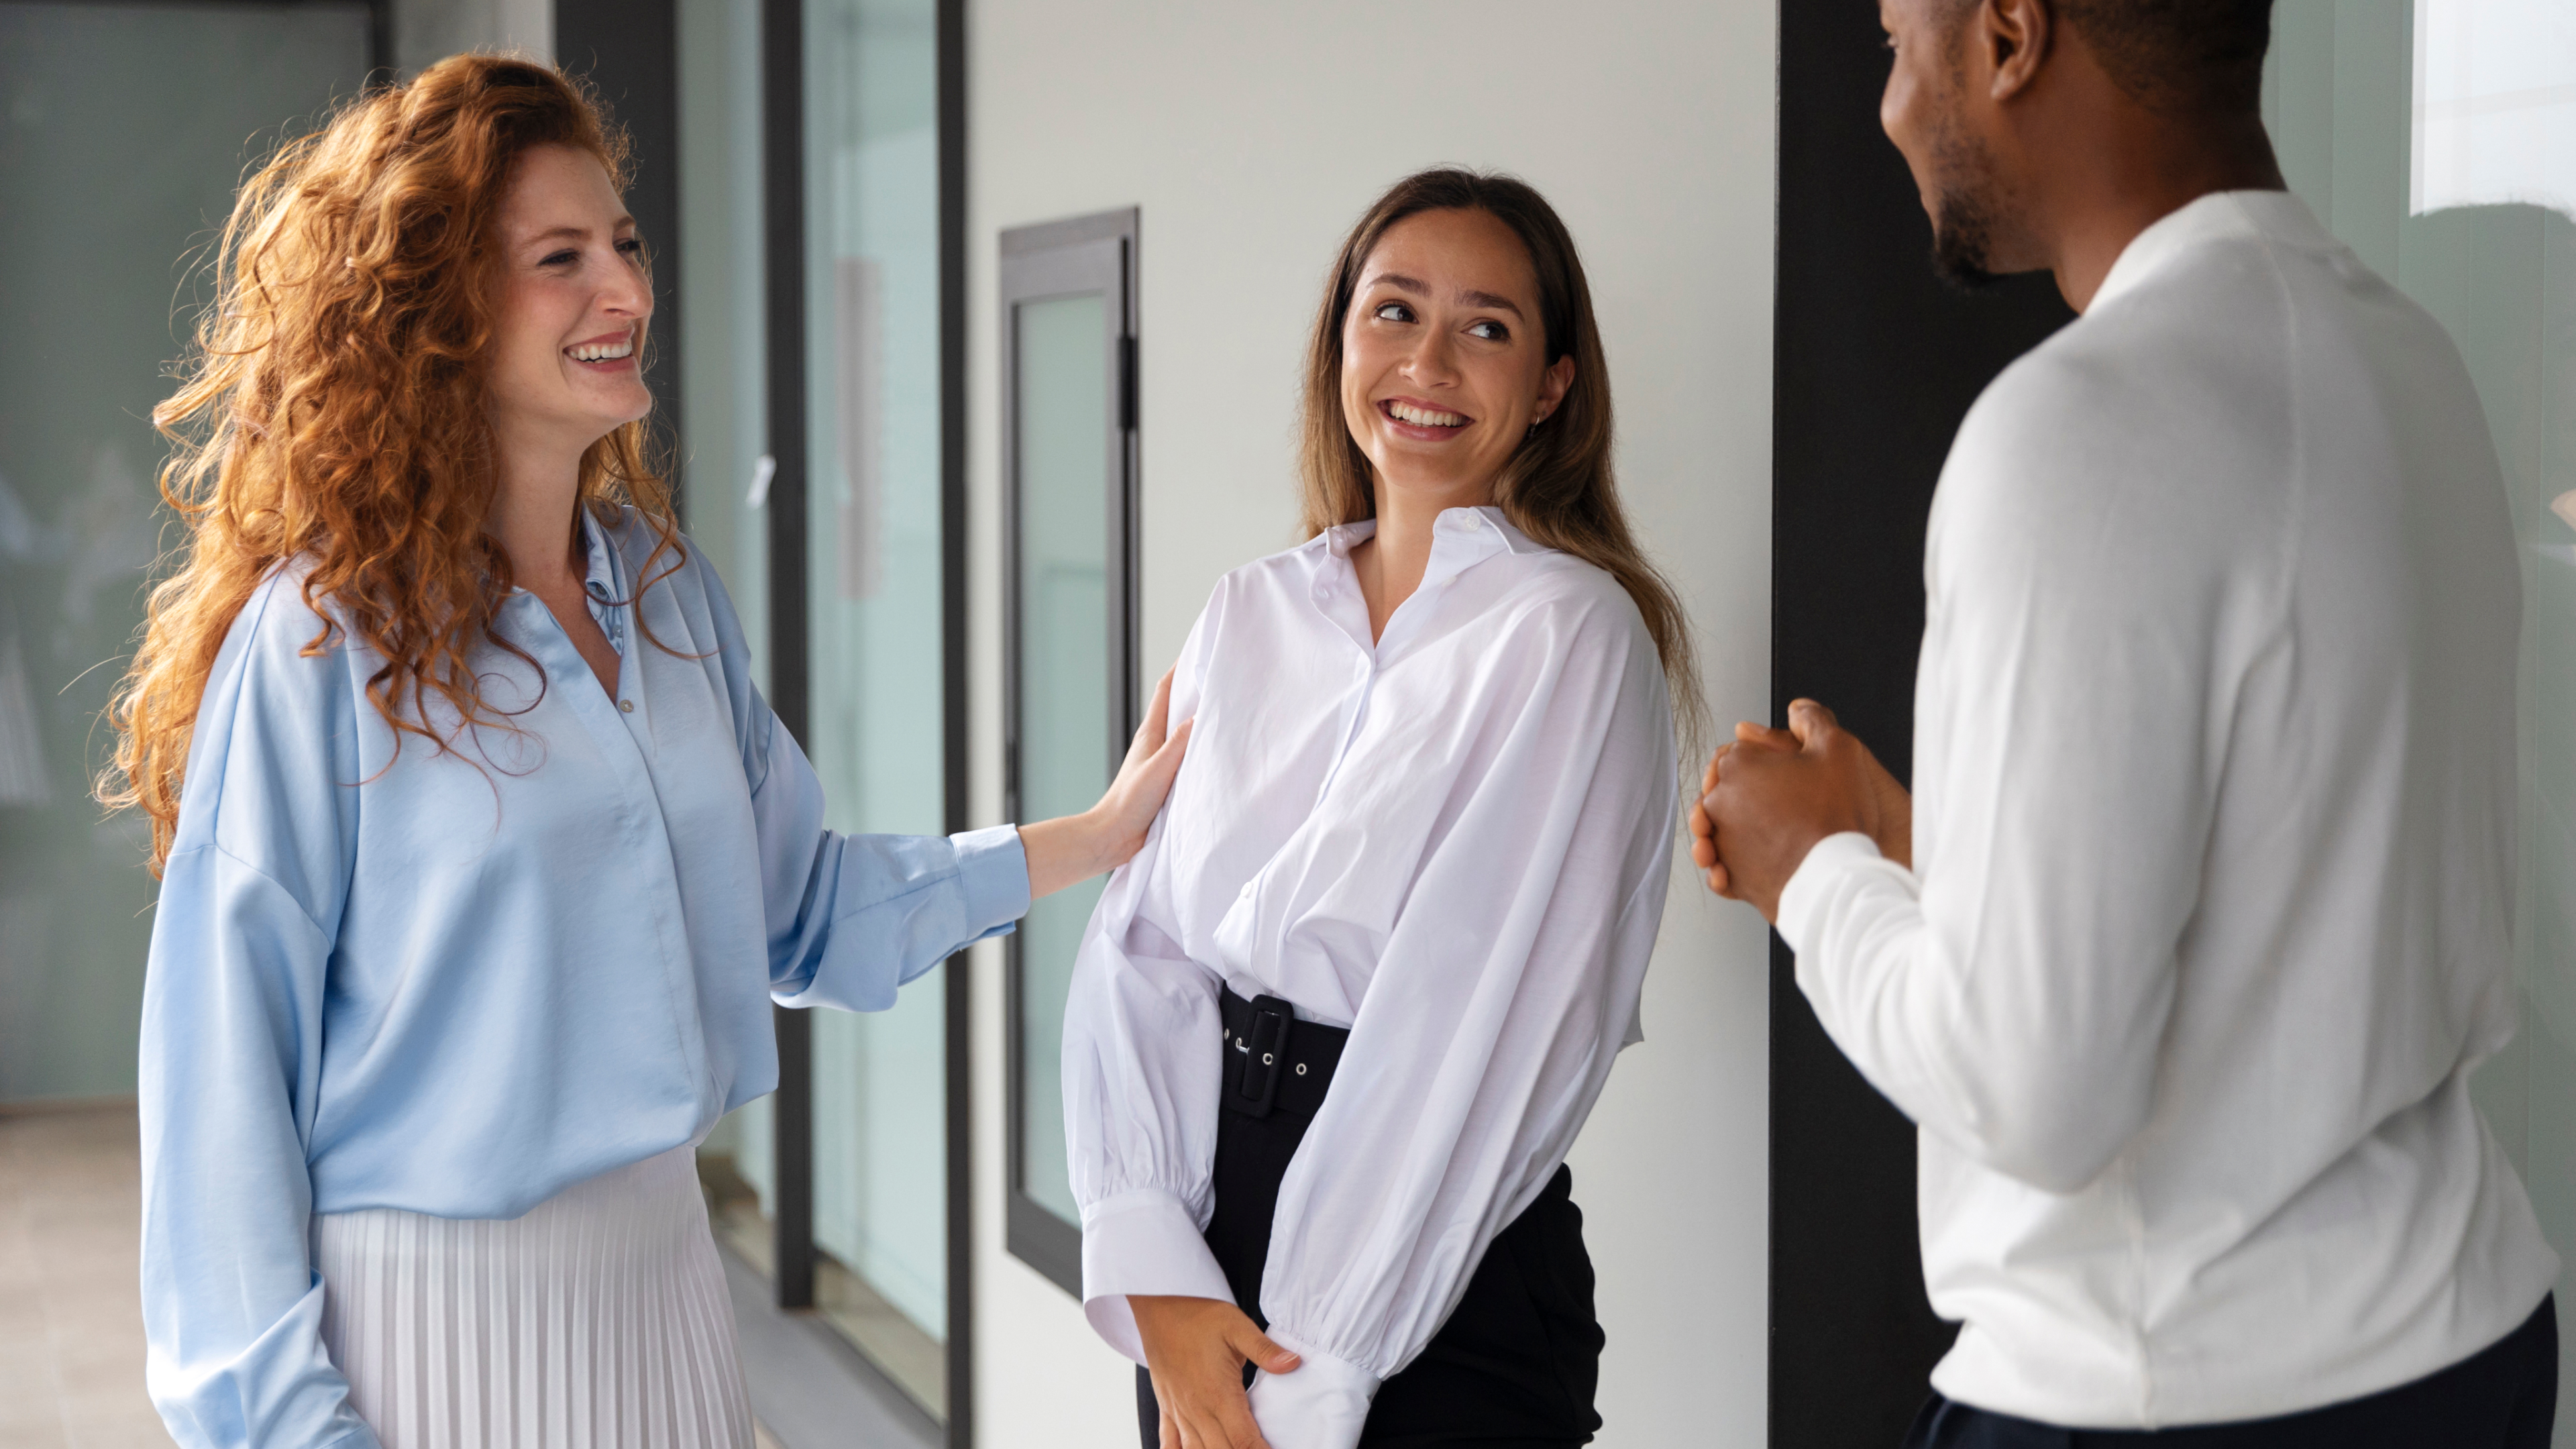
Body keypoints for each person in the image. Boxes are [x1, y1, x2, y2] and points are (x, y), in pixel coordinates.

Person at [101, 55, 1188, 1449]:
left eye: (624, 244)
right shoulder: (321, 641)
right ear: (435, 307)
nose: (626, 291)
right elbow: (220, 1084)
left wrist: (1090, 840)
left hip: (669, 1301)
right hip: (428, 1338)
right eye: (563, 258)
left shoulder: (666, 594)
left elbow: (796, 912)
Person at [1694, 1, 2559, 1444]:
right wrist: (1913, 835)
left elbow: (2035, 1094)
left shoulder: (2081, 427)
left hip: (2177, 1393)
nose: (1895, 101)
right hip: (2458, 1345)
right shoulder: (2412, 367)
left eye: (1902, 41)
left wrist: (1813, 876)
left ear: (2011, 36)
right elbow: (2286, 880)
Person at [1062, 168, 1697, 1449]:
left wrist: (1314, 1364)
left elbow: (1482, 1022)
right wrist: (1153, 1263)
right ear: (1340, 343)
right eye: (1394, 312)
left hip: (1431, 1264)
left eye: (1488, 327)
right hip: (1206, 1241)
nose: (1429, 362)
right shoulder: (1250, 611)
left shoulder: (1570, 636)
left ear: (1555, 383)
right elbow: (1147, 942)